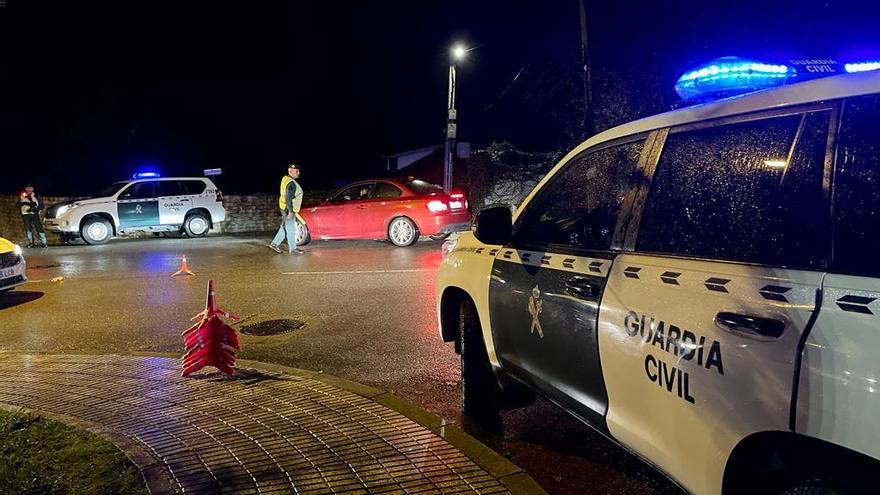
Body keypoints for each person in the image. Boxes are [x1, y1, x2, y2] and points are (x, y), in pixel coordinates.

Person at [269, 163, 304, 255]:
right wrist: (291, 211)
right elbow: (289, 198)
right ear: (291, 171)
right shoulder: (291, 183)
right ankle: (293, 248)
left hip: (284, 207)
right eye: (297, 171)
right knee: (291, 228)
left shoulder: (285, 179)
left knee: (285, 227)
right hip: (288, 209)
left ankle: (274, 243)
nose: (299, 173)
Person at [19, 184, 47, 248]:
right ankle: (31, 243)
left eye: (30, 188)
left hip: (35, 214)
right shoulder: (22, 195)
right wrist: (26, 205)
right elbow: (19, 204)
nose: (29, 189)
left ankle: (44, 243)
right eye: (27, 188)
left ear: (33, 188)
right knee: (28, 229)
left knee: (39, 228)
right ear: (25, 189)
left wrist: (35, 209)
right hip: (26, 215)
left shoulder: (36, 195)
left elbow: (42, 205)